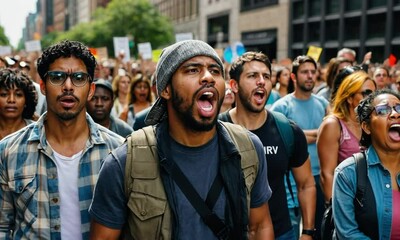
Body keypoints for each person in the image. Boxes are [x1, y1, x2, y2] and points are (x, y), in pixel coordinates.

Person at [89, 40, 274, 239]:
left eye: (215, 70)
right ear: (166, 89)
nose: (207, 77)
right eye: (193, 70)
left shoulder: (248, 148)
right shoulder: (124, 163)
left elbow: (259, 226)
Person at [0, 40, 124, 239]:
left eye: (78, 78)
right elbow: (3, 226)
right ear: (42, 86)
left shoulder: (118, 151)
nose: (68, 86)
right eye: (57, 77)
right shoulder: (8, 150)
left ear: (91, 89)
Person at [219, 51, 316, 240]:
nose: (261, 81)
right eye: (253, 76)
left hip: (282, 232)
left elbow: (306, 184)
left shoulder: (287, 131)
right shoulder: (216, 132)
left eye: (266, 76)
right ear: (234, 85)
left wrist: (308, 232)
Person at [271, 55, 330, 239]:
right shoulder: (281, 106)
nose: (310, 76)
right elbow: (284, 140)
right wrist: (317, 133)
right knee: (293, 230)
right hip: (291, 179)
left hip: (320, 178)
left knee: (318, 230)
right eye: (305, 72)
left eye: (313, 72)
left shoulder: (323, 104)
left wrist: (300, 134)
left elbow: (330, 135)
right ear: (294, 77)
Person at [332, 89, 400, 239]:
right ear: (367, 127)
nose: (395, 114)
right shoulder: (348, 173)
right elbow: (347, 233)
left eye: (399, 108)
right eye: (383, 110)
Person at [317, 70, 376, 202]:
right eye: (366, 93)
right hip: (346, 199)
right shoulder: (333, 124)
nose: (371, 98)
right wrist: (334, 212)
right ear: (349, 98)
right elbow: (327, 174)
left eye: (374, 93)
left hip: (373, 199)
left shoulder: (372, 124)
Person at [0, 68, 37, 140]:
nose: (11, 100)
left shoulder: (37, 132)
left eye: (18, 94)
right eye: (4, 94)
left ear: (26, 100)